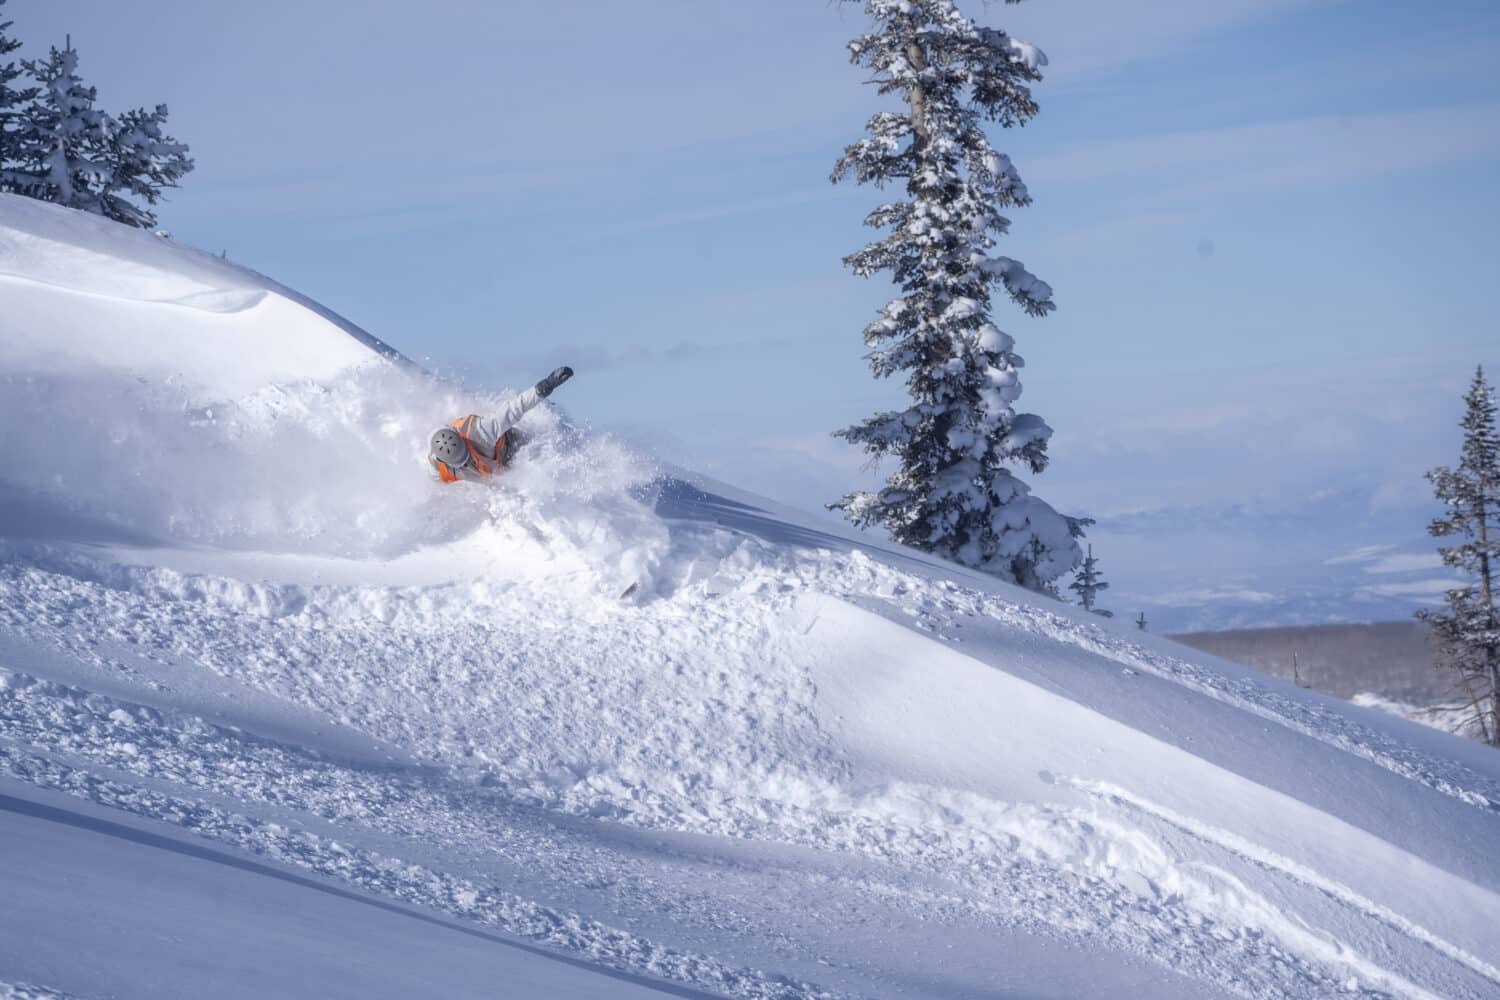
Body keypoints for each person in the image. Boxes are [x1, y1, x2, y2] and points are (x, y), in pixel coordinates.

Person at [429, 366, 574, 483]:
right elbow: (435, 482)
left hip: (513, 447)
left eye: (465, 456)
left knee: (540, 462)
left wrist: (548, 384)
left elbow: (515, 408)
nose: (467, 462)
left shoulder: (481, 432)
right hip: (495, 474)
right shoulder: (441, 466)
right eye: (461, 462)